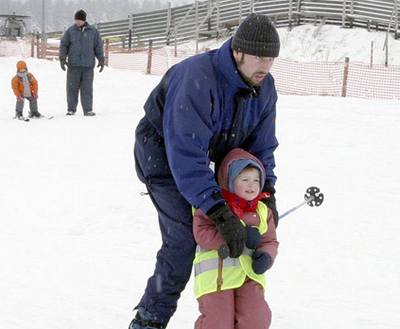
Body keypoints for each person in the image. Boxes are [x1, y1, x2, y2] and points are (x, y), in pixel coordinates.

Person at [130, 13, 280, 329]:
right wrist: (217, 209)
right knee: (185, 236)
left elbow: (261, 147)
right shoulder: (196, 78)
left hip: (215, 157)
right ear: (238, 52)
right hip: (163, 155)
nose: (265, 65)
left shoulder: (264, 87)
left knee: (242, 228)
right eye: (258, 56)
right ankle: (150, 317)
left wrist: (268, 196)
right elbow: (185, 154)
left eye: (270, 57)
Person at [193, 148, 278, 329]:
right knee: (218, 322)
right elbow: (201, 230)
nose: (252, 185)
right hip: (217, 278)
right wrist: (231, 239)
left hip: (249, 277)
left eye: (256, 180)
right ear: (230, 181)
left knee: (256, 319)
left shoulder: (263, 211)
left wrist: (266, 256)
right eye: (245, 179)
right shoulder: (215, 206)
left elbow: (270, 240)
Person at [59, 9, 104, 116]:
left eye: (79, 20)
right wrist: (62, 58)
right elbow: (64, 45)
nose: (77, 22)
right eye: (76, 20)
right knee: (71, 89)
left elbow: (98, 46)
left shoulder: (93, 31)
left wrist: (101, 59)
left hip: (88, 66)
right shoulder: (70, 31)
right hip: (73, 66)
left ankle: (88, 110)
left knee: (87, 89)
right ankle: (71, 109)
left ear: (84, 20)